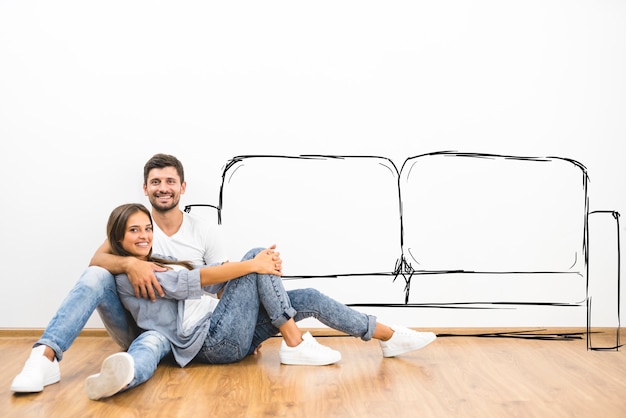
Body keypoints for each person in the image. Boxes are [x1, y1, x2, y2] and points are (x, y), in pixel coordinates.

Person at [84, 202, 437, 400]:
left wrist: (257, 271)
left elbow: (207, 282)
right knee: (256, 256)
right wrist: (255, 265)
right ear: (118, 238)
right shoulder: (136, 274)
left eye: (147, 229)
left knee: (307, 296)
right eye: (135, 231)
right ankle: (294, 341)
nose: (145, 235)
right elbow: (196, 280)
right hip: (212, 342)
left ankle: (388, 337)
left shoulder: (156, 262)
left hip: (222, 326)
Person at [11, 153, 225, 393]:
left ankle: (125, 375)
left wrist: (238, 328)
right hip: (131, 323)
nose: (163, 188)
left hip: (174, 327)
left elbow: (221, 284)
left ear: (182, 187)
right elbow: (97, 261)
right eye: (155, 182)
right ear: (145, 188)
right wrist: (131, 265)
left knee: (152, 344)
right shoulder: (134, 225)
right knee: (96, 275)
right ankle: (44, 357)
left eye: (170, 181)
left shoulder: (204, 230)